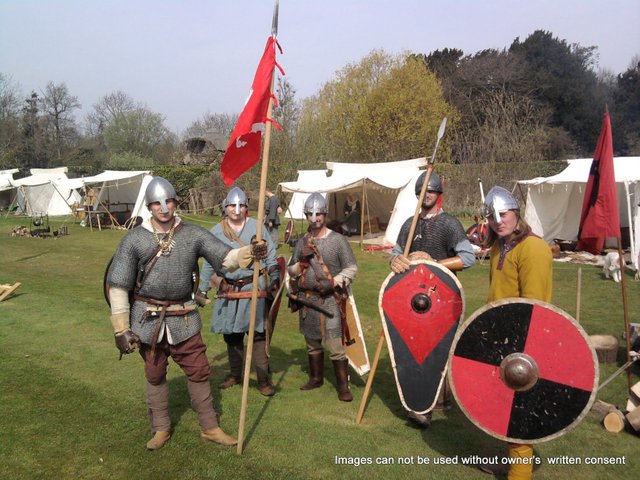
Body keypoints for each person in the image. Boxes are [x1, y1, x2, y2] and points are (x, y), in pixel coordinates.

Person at [106, 177, 267, 451]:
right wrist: (121, 329)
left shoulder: (192, 234)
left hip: (184, 317)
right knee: (155, 374)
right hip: (148, 320)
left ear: (175, 202)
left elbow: (225, 258)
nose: (164, 208)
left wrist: (250, 252)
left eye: (168, 201)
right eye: (157, 203)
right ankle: (161, 428)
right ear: (149, 206)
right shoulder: (134, 239)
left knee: (200, 372)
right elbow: (119, 285)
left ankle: (210, 427)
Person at [389, 170, 476, 427]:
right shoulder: (410, 224)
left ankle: (438, 401)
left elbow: (468, 258)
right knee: (413, 345)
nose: (425, 196)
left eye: (430, 191)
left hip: (441, 296)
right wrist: (396, 260)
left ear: (439, 194)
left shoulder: (448, 224)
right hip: (412, 297)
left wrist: (434, 264)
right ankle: (416, 400)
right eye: (421, 192)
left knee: (439, 347)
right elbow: (395, 253)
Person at [480, 185, 552, 479]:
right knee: (504, 410)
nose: (499, 220)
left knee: (518, 413)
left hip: (523, 340)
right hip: (502, 336)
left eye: (504, 213)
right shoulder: (501, 245)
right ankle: (513, 463)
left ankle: (519, 473)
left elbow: (534, 305)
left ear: (516, 213)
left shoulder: (533, 248)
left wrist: (520, 343)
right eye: (493, 216)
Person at [198, 187, 279, 397]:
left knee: (258, 335)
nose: (236, 209)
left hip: (253, 287)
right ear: (225, 207)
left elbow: (270, 255)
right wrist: (202, 288)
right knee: (232, 336)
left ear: (246, 207)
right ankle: (235, 374)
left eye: (241, 205)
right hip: (228, 288)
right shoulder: (217, 231)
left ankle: (263, 380)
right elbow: (209, 262)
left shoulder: (257, 227)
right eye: (232, 205)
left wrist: (275, 277)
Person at [288, 192, 358, 402]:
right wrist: (299, 265)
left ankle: (343, 387)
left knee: (336, 347)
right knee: (312, 343)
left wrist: (334, 282)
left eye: (319, 214)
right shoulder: (302, 242)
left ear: (325, 215)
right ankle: (316, 378)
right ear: (306, 215)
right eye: (311, 214)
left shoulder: (338, 240)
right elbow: (291, 271)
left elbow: (351, 268)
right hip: (308, 301)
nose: (315, 218)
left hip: (330, 300)